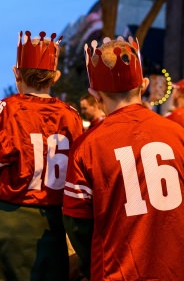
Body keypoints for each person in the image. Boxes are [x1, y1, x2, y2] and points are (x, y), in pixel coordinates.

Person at [63, 36, 184, 280]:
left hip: (117, 271)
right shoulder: (178, 133)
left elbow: (78, 225)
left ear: (95, 96)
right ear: (144, 84)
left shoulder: (87, 146)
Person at [0, 30, 83, 281]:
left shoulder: (7, 109)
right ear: (55, 76)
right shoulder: (71, 115)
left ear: (16, 73)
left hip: (8, 221)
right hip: (53, 224)